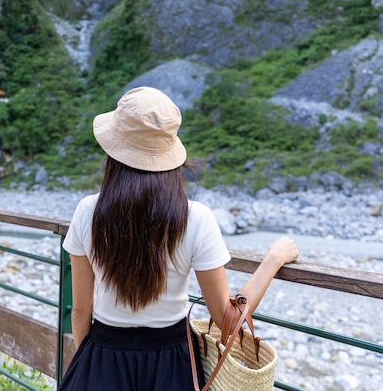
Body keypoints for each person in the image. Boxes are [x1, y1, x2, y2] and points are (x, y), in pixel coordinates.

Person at [59, 87, 299, 390]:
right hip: (172, 365)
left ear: (113, 150)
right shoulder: (196, 218)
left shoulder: (87, 211)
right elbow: (227, 321)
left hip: (103, 357)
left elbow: (81, 311)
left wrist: (88, 364)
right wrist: (273, 260)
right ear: (170, 152)